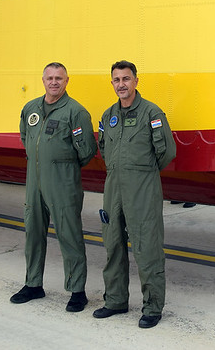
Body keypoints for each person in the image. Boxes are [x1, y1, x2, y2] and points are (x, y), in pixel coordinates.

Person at [93, 60, 176, 329]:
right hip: (113, 187)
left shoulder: (152, 113)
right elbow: (104, 150)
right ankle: (115, 300)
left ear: (136, 81)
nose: (121, 85)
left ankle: (152, 307)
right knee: (112, 245)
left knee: (147, 248)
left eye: (126, 79)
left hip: (143, 188)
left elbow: (167, 152)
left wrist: (143, 173)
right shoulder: (108, 116)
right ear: (112, 83)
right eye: (116, 80)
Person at [11, 62, 97, 312]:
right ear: (43, 80)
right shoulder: (31, 108)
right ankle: (33, 284)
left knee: (69, 236)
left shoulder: (75, 112)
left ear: (67, 81)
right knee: (33, 234)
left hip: (63, 182)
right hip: (34, 180)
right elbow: (26, 137)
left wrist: (62, 164)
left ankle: (77, 291)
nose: (54, 82)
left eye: (59, 78)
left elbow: (87, 150)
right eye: (50, 77)